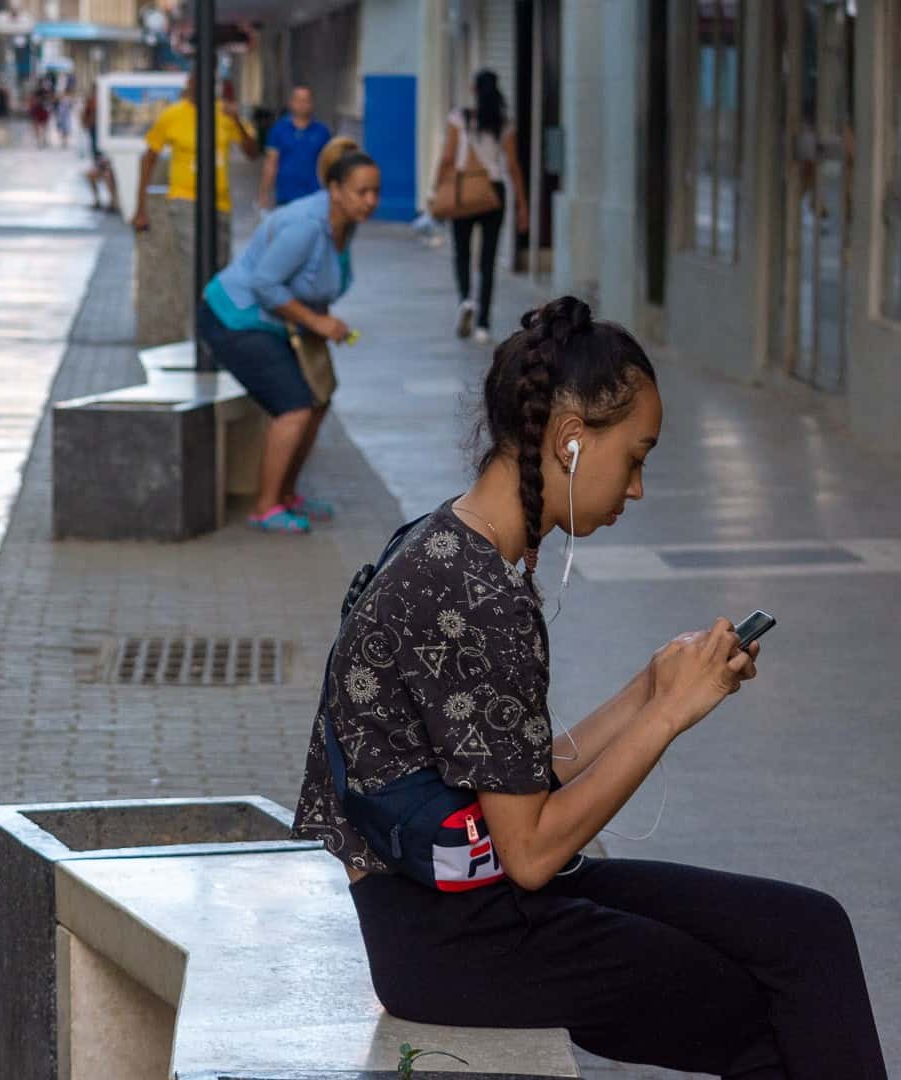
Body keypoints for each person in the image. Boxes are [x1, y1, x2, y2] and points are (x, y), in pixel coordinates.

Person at [290, 295, 888, 1078]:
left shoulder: (448, 544)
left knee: (806, 929)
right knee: (755, 1006)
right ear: (571, 442)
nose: (636, 488)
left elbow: (524, 778)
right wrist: (670, 714)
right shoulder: (477, 592)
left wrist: (650, 687)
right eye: (635, 457)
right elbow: (533, 850)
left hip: (470, 906)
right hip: (457, 942)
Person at [195, 140, 377, 534]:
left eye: (375, 191)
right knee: (294, 406)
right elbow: (265, 284)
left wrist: (320, 321)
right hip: (233, 318)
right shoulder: (306, 226)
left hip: (270, 322)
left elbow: (317, 283)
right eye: (362, 192)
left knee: (317, 399)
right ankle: (266, 507)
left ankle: (287, 495)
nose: (370, 201)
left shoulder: (343, 224)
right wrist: (317, 323)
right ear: (335, 190)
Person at [131, 73, 261, 277]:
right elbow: (148, 159)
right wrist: (140, 208)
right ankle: (196, 306)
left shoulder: (224, 114)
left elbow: (252, 153)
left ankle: (207, 306)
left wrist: (236, 121)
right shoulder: (173, 115)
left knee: (220, 264)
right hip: (185, 200)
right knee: (196, 264)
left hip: (220, 203)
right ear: (189, 86)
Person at [434, 69, 529, 344]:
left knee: (461, 253)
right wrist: (523, 205)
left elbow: (448, 157)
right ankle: (483, 325)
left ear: (473, 90)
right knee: (487, 260)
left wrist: (436, 189)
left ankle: (466, 300)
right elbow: (512, 165)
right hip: (493, 192)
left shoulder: (459, 118)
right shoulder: (504, 123)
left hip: (464, 189)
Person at [259, 85, 331, 210]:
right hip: (286, 197)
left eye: (306, 101)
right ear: (291, 103)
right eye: (298, 100)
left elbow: (329, 164)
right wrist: (264, 193)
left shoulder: (322, 132)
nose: (302, 104)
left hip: (314, 197)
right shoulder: (278, 130)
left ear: (312, 104)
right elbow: (271, 163)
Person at [80, 85, 118, 213]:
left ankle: (113, 202)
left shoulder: (105, 122)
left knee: (107, 175)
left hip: (108, 158)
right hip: (100, 158)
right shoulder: (93, 125)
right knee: (91, 175)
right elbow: (84, 123)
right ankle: (99, 201)